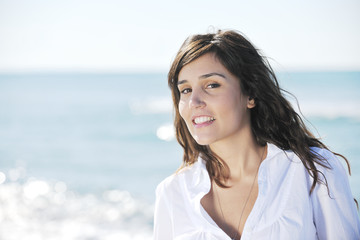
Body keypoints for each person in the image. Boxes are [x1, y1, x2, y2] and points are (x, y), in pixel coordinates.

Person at [153, 29, 360, 240]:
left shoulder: (313, 173)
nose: (194, 102)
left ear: (250, 94)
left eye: (212, 85)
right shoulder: (172, 194)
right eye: (185, 90)